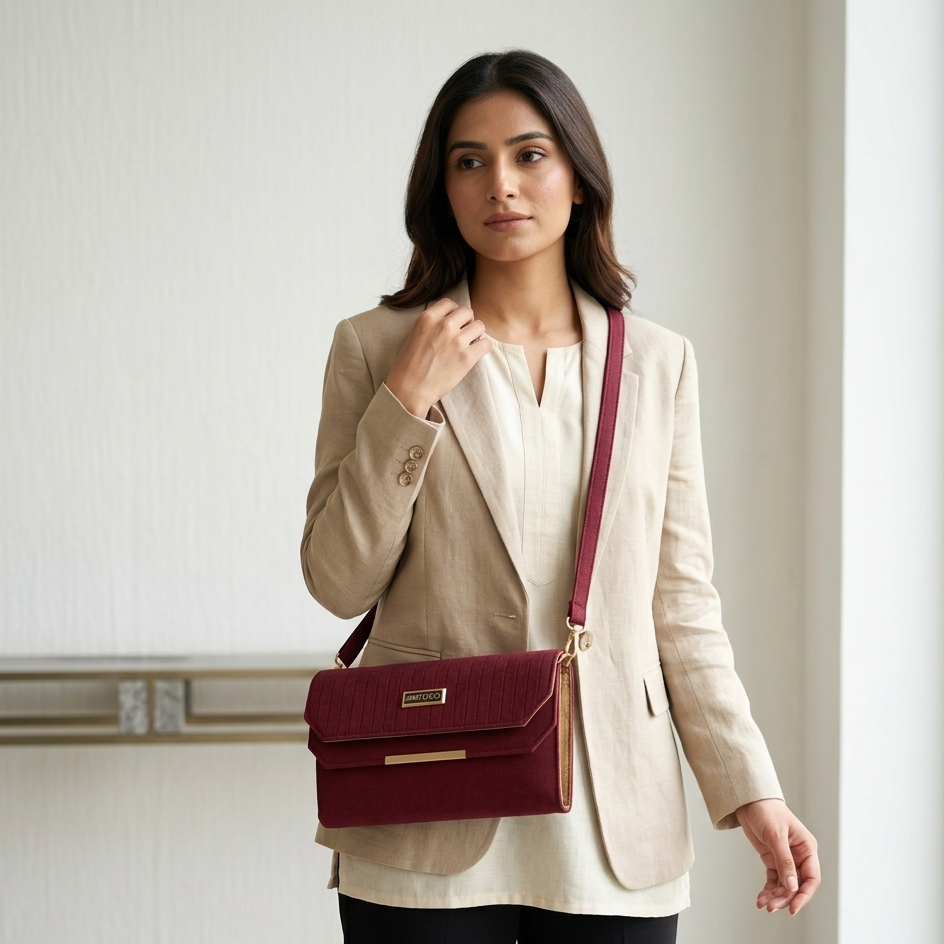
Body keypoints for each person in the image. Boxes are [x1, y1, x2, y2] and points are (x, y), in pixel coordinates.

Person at [301, 49, 820, 944]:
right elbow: (337, 581)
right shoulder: (377, 347)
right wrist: (407, 402)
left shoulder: (659, 364)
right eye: (470, 161)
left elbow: (683, 608)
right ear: (443, 187)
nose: (500, 183)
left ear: (579, 177)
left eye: (529, 154)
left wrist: (752, 788)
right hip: (427, 809)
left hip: (613, 824)